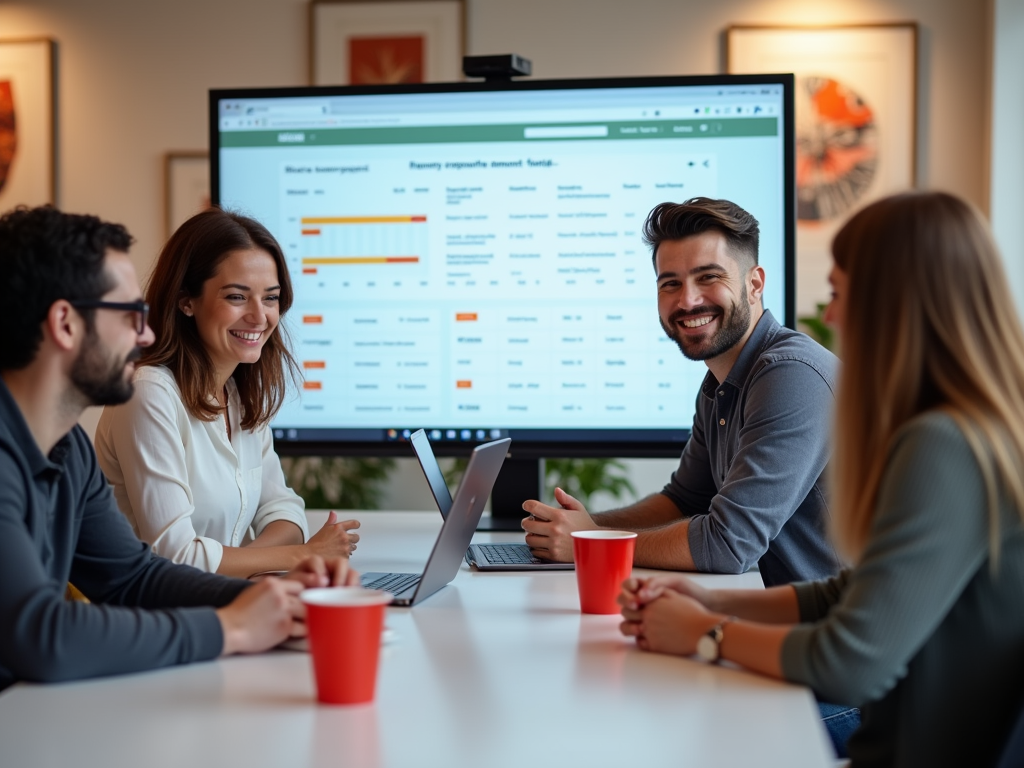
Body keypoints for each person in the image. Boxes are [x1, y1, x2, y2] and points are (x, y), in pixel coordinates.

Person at [619, 191, 1024, 766]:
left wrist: (707, 632)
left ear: (896, 300)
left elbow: (852, 660)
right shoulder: (967, 427)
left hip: (892, 739)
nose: (828, 316)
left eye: (837, 293)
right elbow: (855, 592)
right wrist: (708, 601)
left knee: (676, 726)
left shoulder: (944, 446)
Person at [0, 205, 358, 692]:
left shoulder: (67, 452)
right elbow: (40, 636)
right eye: (129, 315)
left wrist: (277, 598)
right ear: (65, 324)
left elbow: (134, 578)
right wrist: (230, 627)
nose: (146, 334)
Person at [523, 197, 842, 587]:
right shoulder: (719, 384)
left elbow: (727, 544)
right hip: (784, 614)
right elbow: (684, 501)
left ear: (754, 283)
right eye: (670, 283)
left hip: (843, 633)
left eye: (708, 277)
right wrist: (579, 526)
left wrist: (590, 541)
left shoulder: (792, 375)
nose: (687, 300)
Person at [95, 208, 359, 578]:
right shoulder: (148, 394)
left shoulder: (237, 393)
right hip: (154, 621)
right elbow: (176, 558)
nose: (259, 316)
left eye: (270, 298)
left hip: (224, 604)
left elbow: (285, 511)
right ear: (187, 300)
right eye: (237, 297)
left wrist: (233, 564)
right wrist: (301, 555)